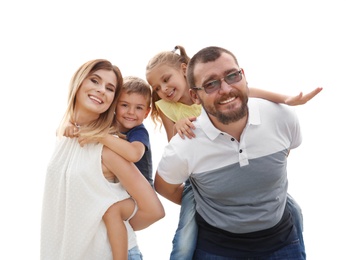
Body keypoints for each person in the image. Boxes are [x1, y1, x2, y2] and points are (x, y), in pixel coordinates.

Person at [146, 45, 321, 260]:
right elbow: (172, 154)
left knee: (294, 212)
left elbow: (282, 150)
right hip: (206, 209)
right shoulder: (180, 130)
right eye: (210, 84)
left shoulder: (280, 118)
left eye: (232, 76)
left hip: (281, 240)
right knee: (184, 239)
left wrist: (286, 99)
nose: (225, 89)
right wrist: (180, 130)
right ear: (196, 94)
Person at [40, 59, 164, 260]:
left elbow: (154, 210)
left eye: (109, 88)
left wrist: (107, 225)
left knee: (113, 211)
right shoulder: (66, 137)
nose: (100, 90)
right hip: (72, 253)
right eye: (95, 81)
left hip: (111, 254)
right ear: (78, 82)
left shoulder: (111, 146)